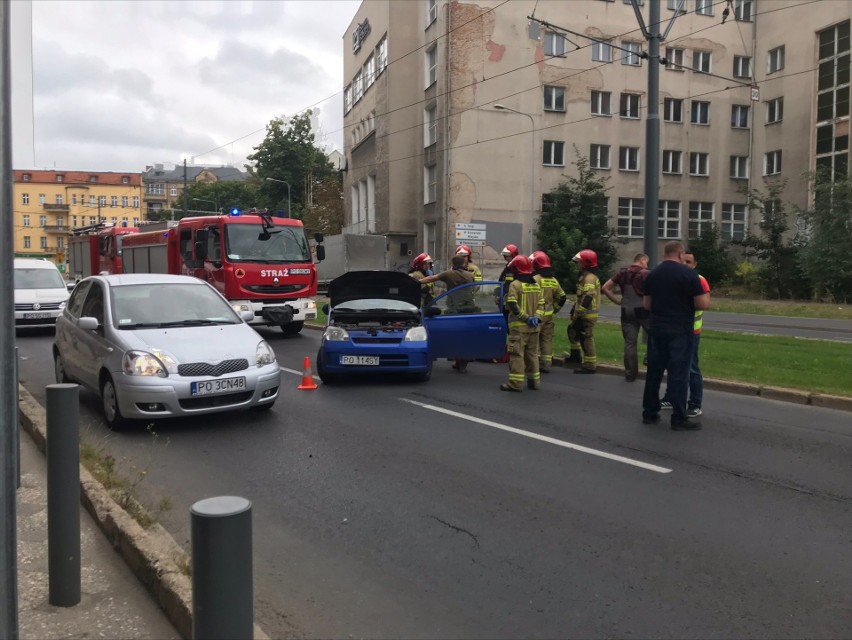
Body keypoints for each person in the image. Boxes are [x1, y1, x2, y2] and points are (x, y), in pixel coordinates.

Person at [641, 241, 710, 431]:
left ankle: (649, 412)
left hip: (656, 329)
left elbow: (647, 305)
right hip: (680, 329)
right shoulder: (689, 274)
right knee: (679, 374)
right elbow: (702, 304)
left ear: (665, 253)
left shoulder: (652, 274)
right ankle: (678, 418)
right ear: (680, 254)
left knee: (654, 373)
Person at [660, 251, 710, 417]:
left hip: (691, 331)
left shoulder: (699, 279)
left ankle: (695, 402)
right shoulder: (676, 277)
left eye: (689, 262)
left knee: (691, 367)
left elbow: (704, 304)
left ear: (694, 265)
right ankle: (670, 397)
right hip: (674, 328)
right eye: (684, 261)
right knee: (672, 365)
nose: (685, 264)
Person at [420, 255, 476, 372]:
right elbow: (474, 289)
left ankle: (453, 357)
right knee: (465, 337)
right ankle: (461, 363)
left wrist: (416, 282)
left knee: (454, 335)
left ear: (453, 264)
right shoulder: (470, 275)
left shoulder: (449, 274)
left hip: (454, 310)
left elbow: (431, 279)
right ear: (464, 264)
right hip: (468, 309)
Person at [601, 253, 650, 382]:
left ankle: (630, 374)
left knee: (630, 343)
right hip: (642, 310)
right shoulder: (645, 273)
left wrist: (617, 301)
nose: (647, 265)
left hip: (626, 310)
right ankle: (649, 358)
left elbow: (605, 288)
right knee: (655, 335)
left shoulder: (622, 273)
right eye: (646, 262)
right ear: (642, 260)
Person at [500, 254, 545, 391]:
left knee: (517, 355)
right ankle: (534, 382)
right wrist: (536, 318)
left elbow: (513, 305)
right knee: (532, 355)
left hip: (519, 328)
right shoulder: (535, 285)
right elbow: (542, 304)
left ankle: (516, 384)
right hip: (534, 327)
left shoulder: (515, 284)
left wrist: (525, 318)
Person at [530, 250, 567, 373]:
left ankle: (532, 365)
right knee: (546, 340)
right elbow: (562, 297)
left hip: (536, 315)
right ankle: (546, 364)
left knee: (533, 341)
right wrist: (555, 309)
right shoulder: (554, 281)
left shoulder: (534, 279)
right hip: (549, 317)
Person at [567, 249, 601, 374]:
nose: (577, 265)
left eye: (579, 262)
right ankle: (576, 357)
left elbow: (588, 296)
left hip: (587, 315)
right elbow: (581, 297)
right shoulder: (586, 277)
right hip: (583, 314)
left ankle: (590, 365)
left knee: (586, 338)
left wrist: (580, 312)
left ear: (586, 263)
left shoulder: (589, 278)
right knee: (574, 332)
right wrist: (574, 310)